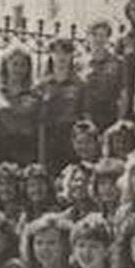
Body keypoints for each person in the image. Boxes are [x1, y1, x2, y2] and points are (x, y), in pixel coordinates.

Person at [37, 38, 87, 177]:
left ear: (71, 56)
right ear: (51, 55)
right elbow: (38, 120)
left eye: (66, 52)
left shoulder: (80, 84)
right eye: (57, 52)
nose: (61, 57)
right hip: (48, 140)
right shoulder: (42, 85)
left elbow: (85, 117)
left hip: (71, 140)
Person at [0, 47, 42, 169]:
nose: (18, 69)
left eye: (23, 65)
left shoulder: (35, 95)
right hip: (0, 150)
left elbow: (40, 129)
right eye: (14, 64)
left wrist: (41, 160)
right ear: (6, 65)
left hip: (26, 150)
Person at [82, 20, 125, 131]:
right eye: (94, 35)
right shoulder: (81, 63)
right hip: (87, 115)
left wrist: (120, 118)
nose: (98, 39)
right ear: (88, 37)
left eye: (102, 35)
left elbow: (123, 92)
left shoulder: (117, 62)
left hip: (110, 114)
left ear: (107, 38)